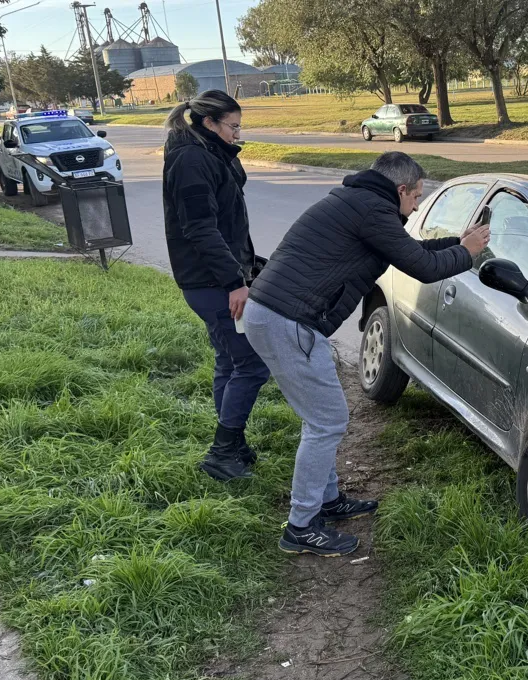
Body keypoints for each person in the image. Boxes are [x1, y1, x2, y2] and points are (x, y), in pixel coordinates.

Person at [244, 152, 490, 557]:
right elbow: (423, 267)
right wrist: (468, 253)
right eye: (415, 199)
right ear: (400, 190)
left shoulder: (360, 202)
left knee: (322, 418)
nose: (414, 208)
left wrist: (459, 244)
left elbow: (411, 250)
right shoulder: (373, 210)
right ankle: (301, 525)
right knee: (327, 422)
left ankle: (327, 500)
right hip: (288, 321)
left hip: (278, 315)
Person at [163, 90, 269, 482]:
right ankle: (221, 453)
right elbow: (200, 228)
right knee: (252, 363)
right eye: (233, 126)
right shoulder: (191, 159)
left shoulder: (206, 153)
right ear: (209, 123)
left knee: (230, 359)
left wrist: (248, 266)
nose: (238, 134)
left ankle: (233, 443)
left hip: (218, 277)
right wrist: (233, 282)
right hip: (211, 282)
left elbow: (227, 223)